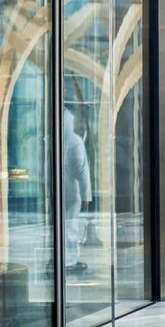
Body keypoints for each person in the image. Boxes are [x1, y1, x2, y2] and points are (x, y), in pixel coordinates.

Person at [64, 108, 92, 273]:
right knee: (71, 226)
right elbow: (82, 171)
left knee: (59, 226)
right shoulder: (75, 141)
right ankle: (71, 260)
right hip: (72, 193)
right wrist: (86, 195)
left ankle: (59, 257)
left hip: (55, 193)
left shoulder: (50, 138)